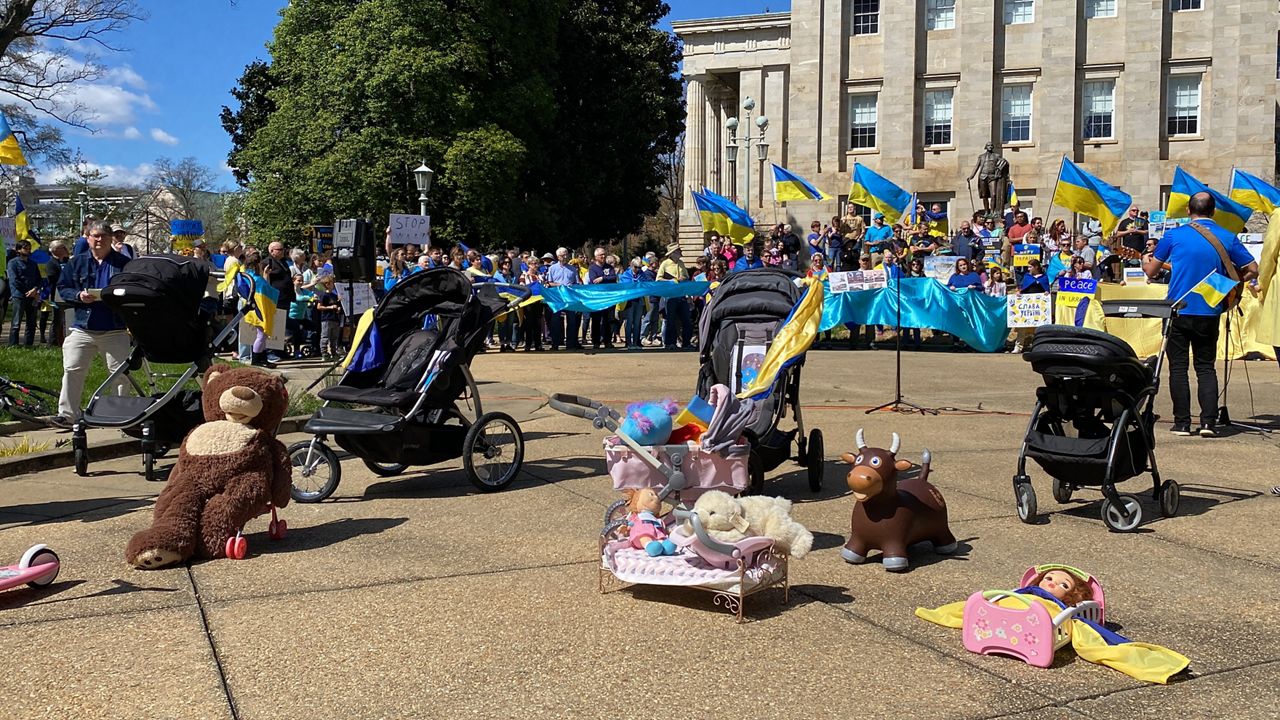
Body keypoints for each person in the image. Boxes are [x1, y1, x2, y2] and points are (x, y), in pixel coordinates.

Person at [1144, 191, 1258, 437]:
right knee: (1206, 367)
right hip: (1209, 308)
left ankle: (1182, 422)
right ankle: (1208, 422)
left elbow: (1152, 271)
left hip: (1178, 308)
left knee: (1178, 368)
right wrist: (1227, 285)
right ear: (1213, 212)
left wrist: (1145, 262)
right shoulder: (1227, 236)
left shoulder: (1174, 235)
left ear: (1188, 210)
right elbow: (1252, 268)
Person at [51, 222, 131, 425]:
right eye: (95, 236)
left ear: (110, 238)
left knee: (120, 374)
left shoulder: (123, 263)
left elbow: (133, 289)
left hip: (114, 328)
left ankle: (120, 416)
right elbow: (64, 287)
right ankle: (68, 415)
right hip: (83, 327)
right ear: (87, 238)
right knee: (72, 370)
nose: (99, 240)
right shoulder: (76, 263)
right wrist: (78, 295)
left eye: (104, 236)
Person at [658, 243, 694, 350]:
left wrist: (684, 279)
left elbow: (687, 277)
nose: (680, 252)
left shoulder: (681, 263)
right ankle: (670, 343)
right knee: (671, 320)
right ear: (673, 253)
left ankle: (686, 343)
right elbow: (658, 279)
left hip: (682, 295)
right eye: (678, 251)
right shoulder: (665, 264)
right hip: (670, 296)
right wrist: (672, 281)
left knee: (686, 320)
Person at [6, 240, 42, 346]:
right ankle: (13, 344)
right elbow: (14, 280)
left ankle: (29, 344)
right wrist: (27, 292)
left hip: (32, 296)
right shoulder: (13, 263)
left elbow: (39, 279)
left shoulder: (33, 264)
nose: (28, 250)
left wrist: (35, 289)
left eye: (29, 248)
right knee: (16, 322)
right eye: (25, 248)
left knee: (31, 323)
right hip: (19, 296)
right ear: (18, 249)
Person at [545, 247, 581, 351]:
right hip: (557, 298)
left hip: (570, 298)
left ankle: (570, 344)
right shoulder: (552, 268)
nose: (565, 257)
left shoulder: (573, 269)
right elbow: (549, 283)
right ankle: (555, 344)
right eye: (562, 255)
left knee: (572, 321)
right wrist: (559, 285)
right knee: (555, 321)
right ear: (557, 257)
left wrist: (572, 286)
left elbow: (577, 283)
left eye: (566, 255)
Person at [587, 247, 618, 349]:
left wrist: (602, 278)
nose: (603, 256)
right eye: (601, 255)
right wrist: (603, 280)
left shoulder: (609, 267)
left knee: (609, 320)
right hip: (597, 298)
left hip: (609, 298)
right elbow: (593, 280)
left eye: (604, 254)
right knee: (596, 320)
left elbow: (614, 277)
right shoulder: (592, 268)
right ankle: (596, 341)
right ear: (596, 257)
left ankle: (607, 341)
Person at [41, 240, 70, 346]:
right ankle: (53, 342)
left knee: (67, 319)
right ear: (56, 250)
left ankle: (64, 340)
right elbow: (53, 279)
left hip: (68, 294)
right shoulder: (51, 263)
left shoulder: (68, 262)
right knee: (57, 319)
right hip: (56, 296)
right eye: (63, 247)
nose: (66, 249)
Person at [619, 257, 646, 350]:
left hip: (639, 300)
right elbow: (624, 286)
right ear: (631, 266)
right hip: (629, 301)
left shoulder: (642, 274)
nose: (638, 269)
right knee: (629, 322)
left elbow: (646, 284)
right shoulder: (625, 274)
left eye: (640, 267)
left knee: (637, 322)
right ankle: (628, 342)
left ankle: (636, 342)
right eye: (636, 267)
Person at [315, 274, 344, 360]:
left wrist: (338, 308)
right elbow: (319, 307)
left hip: (335, 319)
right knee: (325, 337)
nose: (333, 285)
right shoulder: (324, 295)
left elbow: (337, 306)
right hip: (326, 319)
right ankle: (324, 353)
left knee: (334, 338)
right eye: (332, 283)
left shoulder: (335, 296)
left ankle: (334, 353)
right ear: (327, 284)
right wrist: (330, 307)